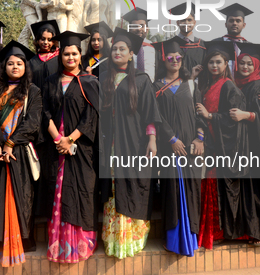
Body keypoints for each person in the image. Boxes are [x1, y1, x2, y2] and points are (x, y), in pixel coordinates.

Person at [0, 41, 42, 267]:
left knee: (19, 199)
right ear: (3, 67)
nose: (14, 67)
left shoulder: (33, 92)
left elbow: (33, 121)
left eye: (19, 63)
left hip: (18, 154)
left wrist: (11, 143)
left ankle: (17, 243)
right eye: (10, 63)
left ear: (25, 67)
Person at [100, 28, 161, 259]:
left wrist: (152, 140)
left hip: (134, 143)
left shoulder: (143, 80)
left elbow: (150, 114)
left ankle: (132, 240)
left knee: (134, 185)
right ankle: (114, 239)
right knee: (114, 189)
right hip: (111, 144)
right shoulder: (103, 77)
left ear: (131, 53)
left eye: (122, 49)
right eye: (114, 48)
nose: (117, 52)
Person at [40, 31, 99, 263]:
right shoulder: (50, 82)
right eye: (66, 53)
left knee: (82, 192)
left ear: (80, 55)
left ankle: (81, 245)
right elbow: (44, 112)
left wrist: (70, 139)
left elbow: (91, 115)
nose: (70, 57)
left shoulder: (90, 82)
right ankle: (60, 245)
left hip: (81, 149)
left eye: (74, 53)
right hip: (56, 149)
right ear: (60, 55)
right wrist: (57, 139)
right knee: (58, 191)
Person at [192, 41, 249, 249]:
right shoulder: (206, 85)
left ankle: (220, 230)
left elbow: (234, 117)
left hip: (223, 146)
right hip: (208, 142)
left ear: (226, 64)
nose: (214, 66)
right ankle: (211, 229)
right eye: (211, 62)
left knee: (217, 187)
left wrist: (210, 116)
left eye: (218, 62)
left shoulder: (229, 86)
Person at [151, 37, 203, 256]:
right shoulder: (156, 87)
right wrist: (171, 139)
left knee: (192, 191)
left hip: (189, 150)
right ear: (163, 60)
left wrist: (199, 138)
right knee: (171, 191)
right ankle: (173, 240)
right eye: (170, 57)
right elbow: (156, 117)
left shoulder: (191, 85)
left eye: (178, 57)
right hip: (169, 147)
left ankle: (191, 237)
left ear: (183, 60)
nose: (174, 60)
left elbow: (201, 115)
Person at [229, 43, 260, 245]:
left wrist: (246, 115)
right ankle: (248, 230)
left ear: (257, 66)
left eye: (250, 64)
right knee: (246, 191)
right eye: (242, 63)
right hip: (243, 145)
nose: (246, 67)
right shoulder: (237, 84)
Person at [212, 3, 253, 75]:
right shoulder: (215, 44)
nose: (234, 23)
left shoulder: (250, 47)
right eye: (231, 21)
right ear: (225, 24)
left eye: (238, 21)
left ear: (244, 25)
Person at [170, 2, 206, 74]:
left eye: (189, 20)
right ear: (177, 23)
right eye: (183, 20)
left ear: (194, 22)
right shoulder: (170, 44)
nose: (186, 23)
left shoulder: (203, 46)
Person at [123, 8, 156, 82]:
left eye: (142, 26)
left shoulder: (154, 48)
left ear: (147, 29)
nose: (138, 29)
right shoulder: (124, 48)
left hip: (150, 89)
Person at [27, 20, 60, 89]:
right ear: (38, 40)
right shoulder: (32, 60)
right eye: (42, 39)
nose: (45, 42)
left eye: (49, 39)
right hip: (37, 97)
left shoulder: (59, 58)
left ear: (54, 41)